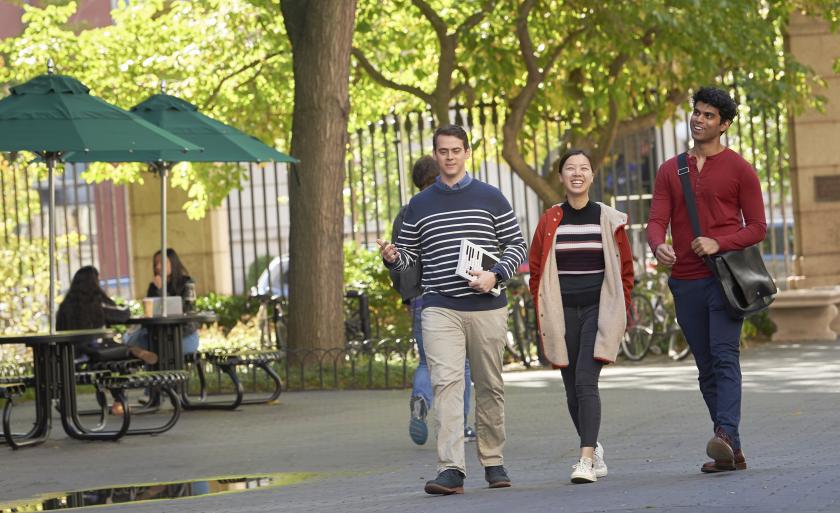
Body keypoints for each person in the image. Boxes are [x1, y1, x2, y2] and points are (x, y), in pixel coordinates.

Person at [378, 125, 527, 495]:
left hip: (487, 307)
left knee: (489, 385)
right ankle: (451, 468)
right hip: (439, 307)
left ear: (466, 152)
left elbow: (517, 245)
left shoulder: (491, 198)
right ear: (435, 154)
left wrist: (495, 275)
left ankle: (493, 460)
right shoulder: (419, 205)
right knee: (447, 384)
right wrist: (394, 259)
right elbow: (410, 260)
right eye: (443, 151)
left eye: (456, 150)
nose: (449, 157)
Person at [646, 87, 766, 473]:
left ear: (724, 124)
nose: (699, 119)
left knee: (724, 356)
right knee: (705, 366)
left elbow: (758, 227)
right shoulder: (671, 169)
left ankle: (726, 435)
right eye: (697, 112)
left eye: (709, 115)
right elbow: (656, 219)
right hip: (685, 280)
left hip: (725, 280)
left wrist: (719, 242)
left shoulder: (740, 170)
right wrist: (656, 244)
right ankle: (733, 449)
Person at [528, 150, 634, 484]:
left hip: (597, 310)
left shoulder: (608, 217)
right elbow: (536, 267)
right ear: (561, 176)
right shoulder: (550, 219)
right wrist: (541, 305)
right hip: (562, 312)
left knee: (586, 380)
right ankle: (594, 446)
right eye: (570, 168)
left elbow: (625, 268)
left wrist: (620, 307)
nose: (577, 173)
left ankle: (585, 460)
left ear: (592, 176)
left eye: (584, 168)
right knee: (572, 387)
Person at [388, 156, 476, 446]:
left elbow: (399, 259)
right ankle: (460, 426)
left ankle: (421, 399)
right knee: (460, 365)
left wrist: (407, 294)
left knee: (427, 362)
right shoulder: (451, 206)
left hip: (421, 299)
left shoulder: (407, 212)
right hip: (452, 294)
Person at [57, 265, 158, 366]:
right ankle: (132, 350)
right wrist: (121, 304)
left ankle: (131, 349)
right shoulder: (96, 302)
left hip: (68, 354)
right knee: (125, 344)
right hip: (94, 351)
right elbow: (123, 314)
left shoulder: (64, 306)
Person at [124, 248, 199, 354]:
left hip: (183, 336)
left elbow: (184, 311)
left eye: (162, 263)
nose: (158, 267)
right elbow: (150, 312)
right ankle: (144, 354)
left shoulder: (186, 283)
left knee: (157, 350)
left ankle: (145, 354)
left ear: (173, 263)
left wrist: (161, 289)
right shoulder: (153, 286)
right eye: (155, 264)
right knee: (130, 339)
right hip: (158, 335)